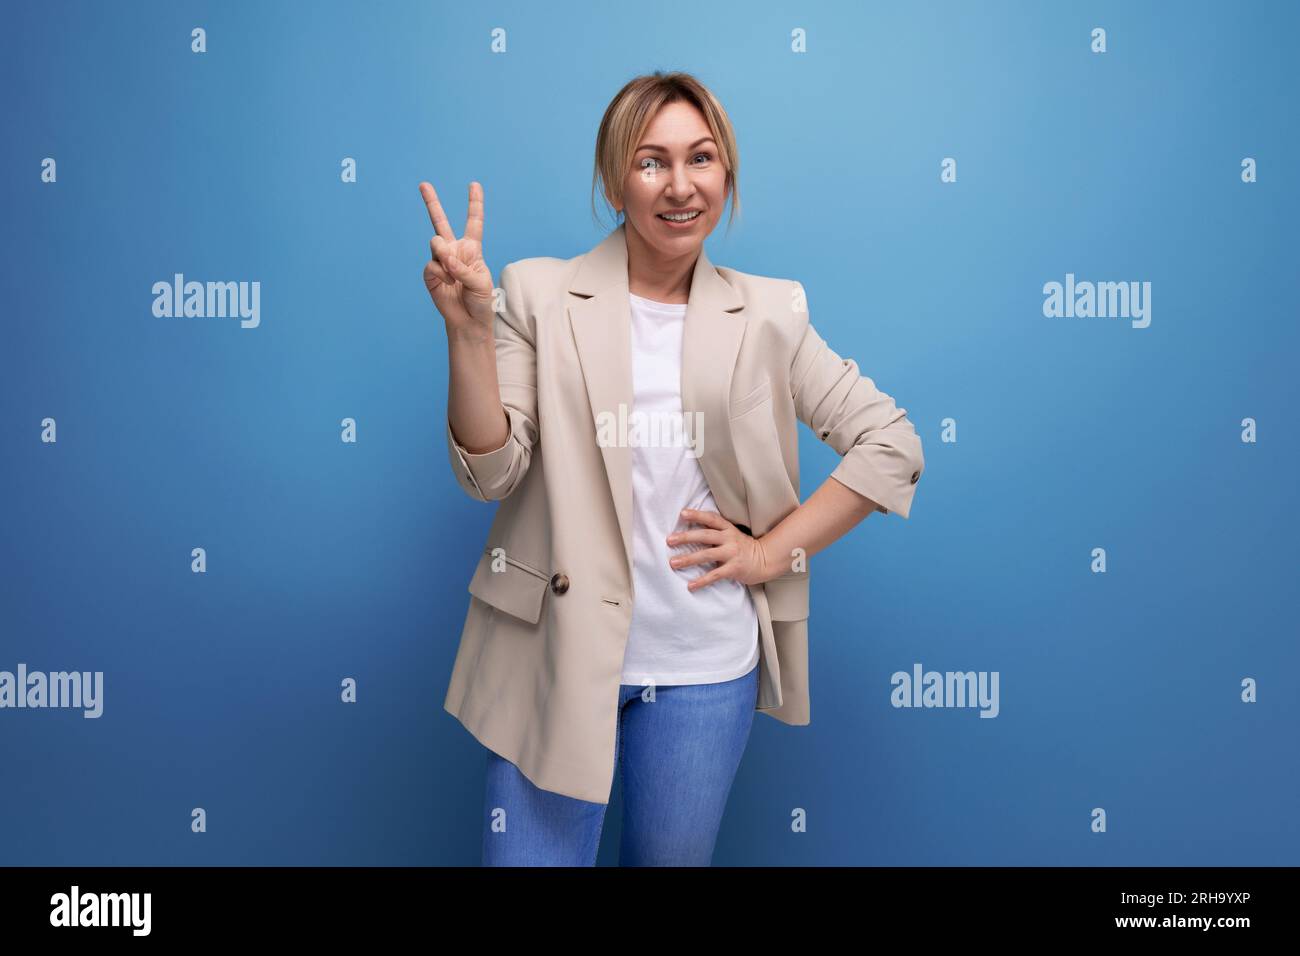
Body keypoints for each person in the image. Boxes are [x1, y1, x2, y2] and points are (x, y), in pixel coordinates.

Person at [419, 70, 924, 866]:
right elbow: (492, 472)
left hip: (702, 670)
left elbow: (891, 445)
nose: (680, 185)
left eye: (703, 159)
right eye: (652, 161)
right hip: (553, 655)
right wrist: (469, 332)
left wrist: (767, 552)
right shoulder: (537, 293)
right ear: (614, 179)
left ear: (727, 174)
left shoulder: (771, 314)